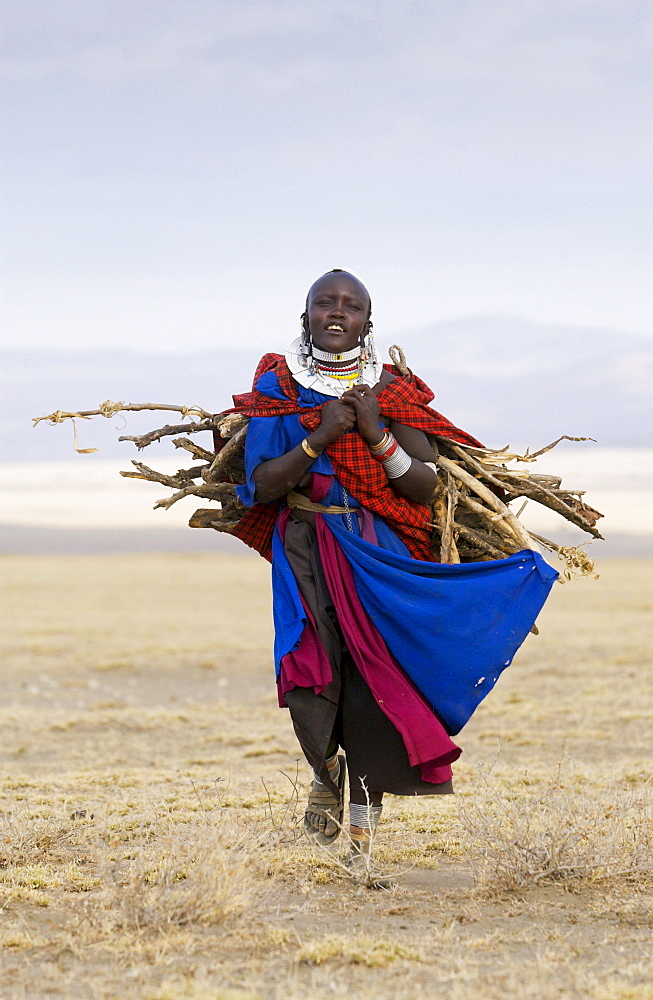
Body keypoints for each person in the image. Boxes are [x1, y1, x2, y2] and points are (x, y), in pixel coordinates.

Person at [225, 269, 556, 885]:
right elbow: (262, 484)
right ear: (306, 314)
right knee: (307, 675)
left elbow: (426, 486)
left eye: (351, 306)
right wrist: (320, 434)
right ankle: (326, 778)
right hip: (306, 546)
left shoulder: (393, 389)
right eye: (325, 302)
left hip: (378, 550)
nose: (337, 312)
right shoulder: (278, 386)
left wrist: (374, 432)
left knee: (375, 682)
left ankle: (361, 840)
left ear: (367, 321)